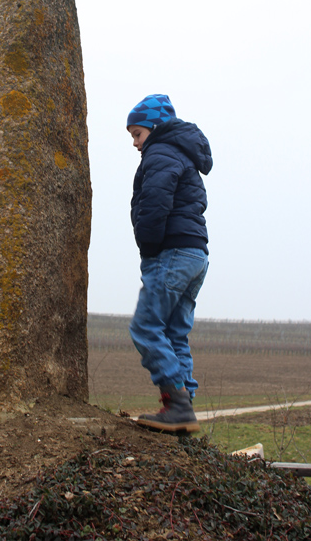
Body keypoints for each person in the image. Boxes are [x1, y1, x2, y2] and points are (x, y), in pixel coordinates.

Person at [127, 93, 212, 433]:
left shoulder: (160, 152)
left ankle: (175, 404)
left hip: (172, 254)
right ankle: (184, 409)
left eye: (138, 134)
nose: (134, 143)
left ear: (156, 127)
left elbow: (155, 202)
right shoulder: (183, 156)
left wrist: (148, 245)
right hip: (195, 255)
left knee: (146, 326)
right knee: (175, 333)